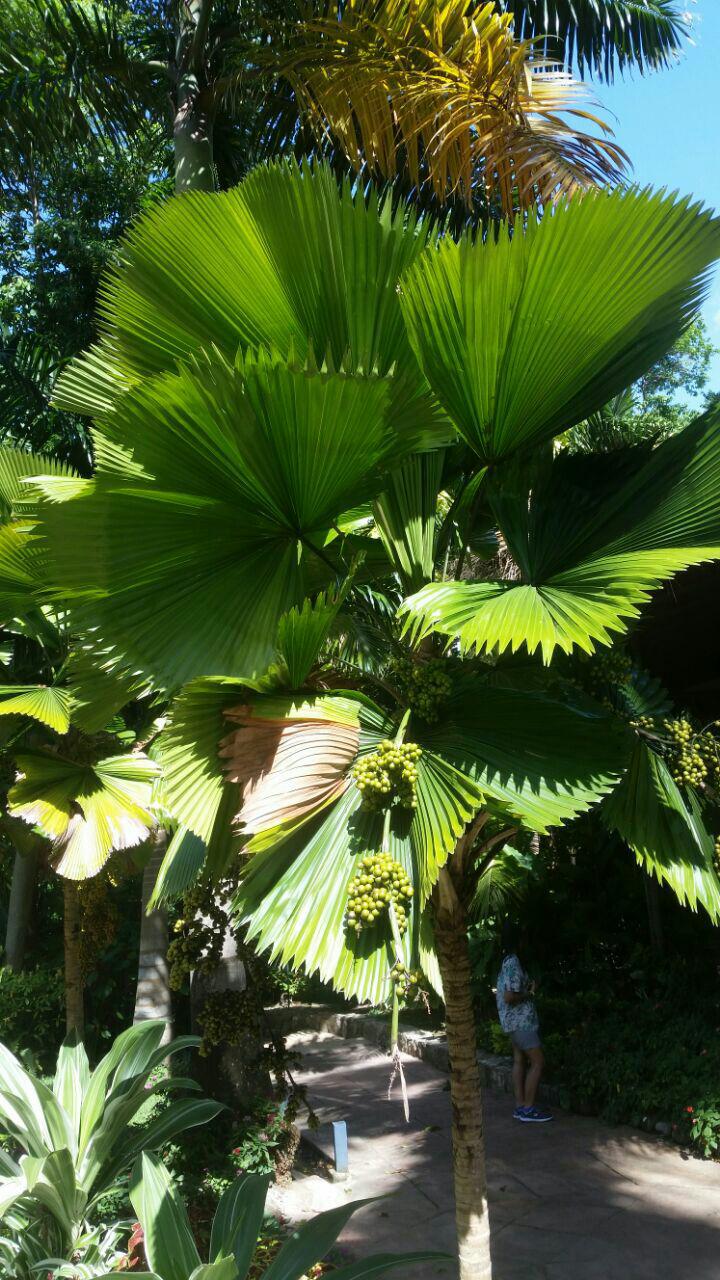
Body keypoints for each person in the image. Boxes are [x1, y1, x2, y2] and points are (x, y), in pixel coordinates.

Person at [495, 921, 553, 1123]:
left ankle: (520, 1106)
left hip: (513, 1024)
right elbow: (510, 996)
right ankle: (528, 1108)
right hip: (521, 1023)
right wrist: (530, 992)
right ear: (519, 940)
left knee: (519, 1060)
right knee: (538, 1062)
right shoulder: (513, 962)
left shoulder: (506, 961)